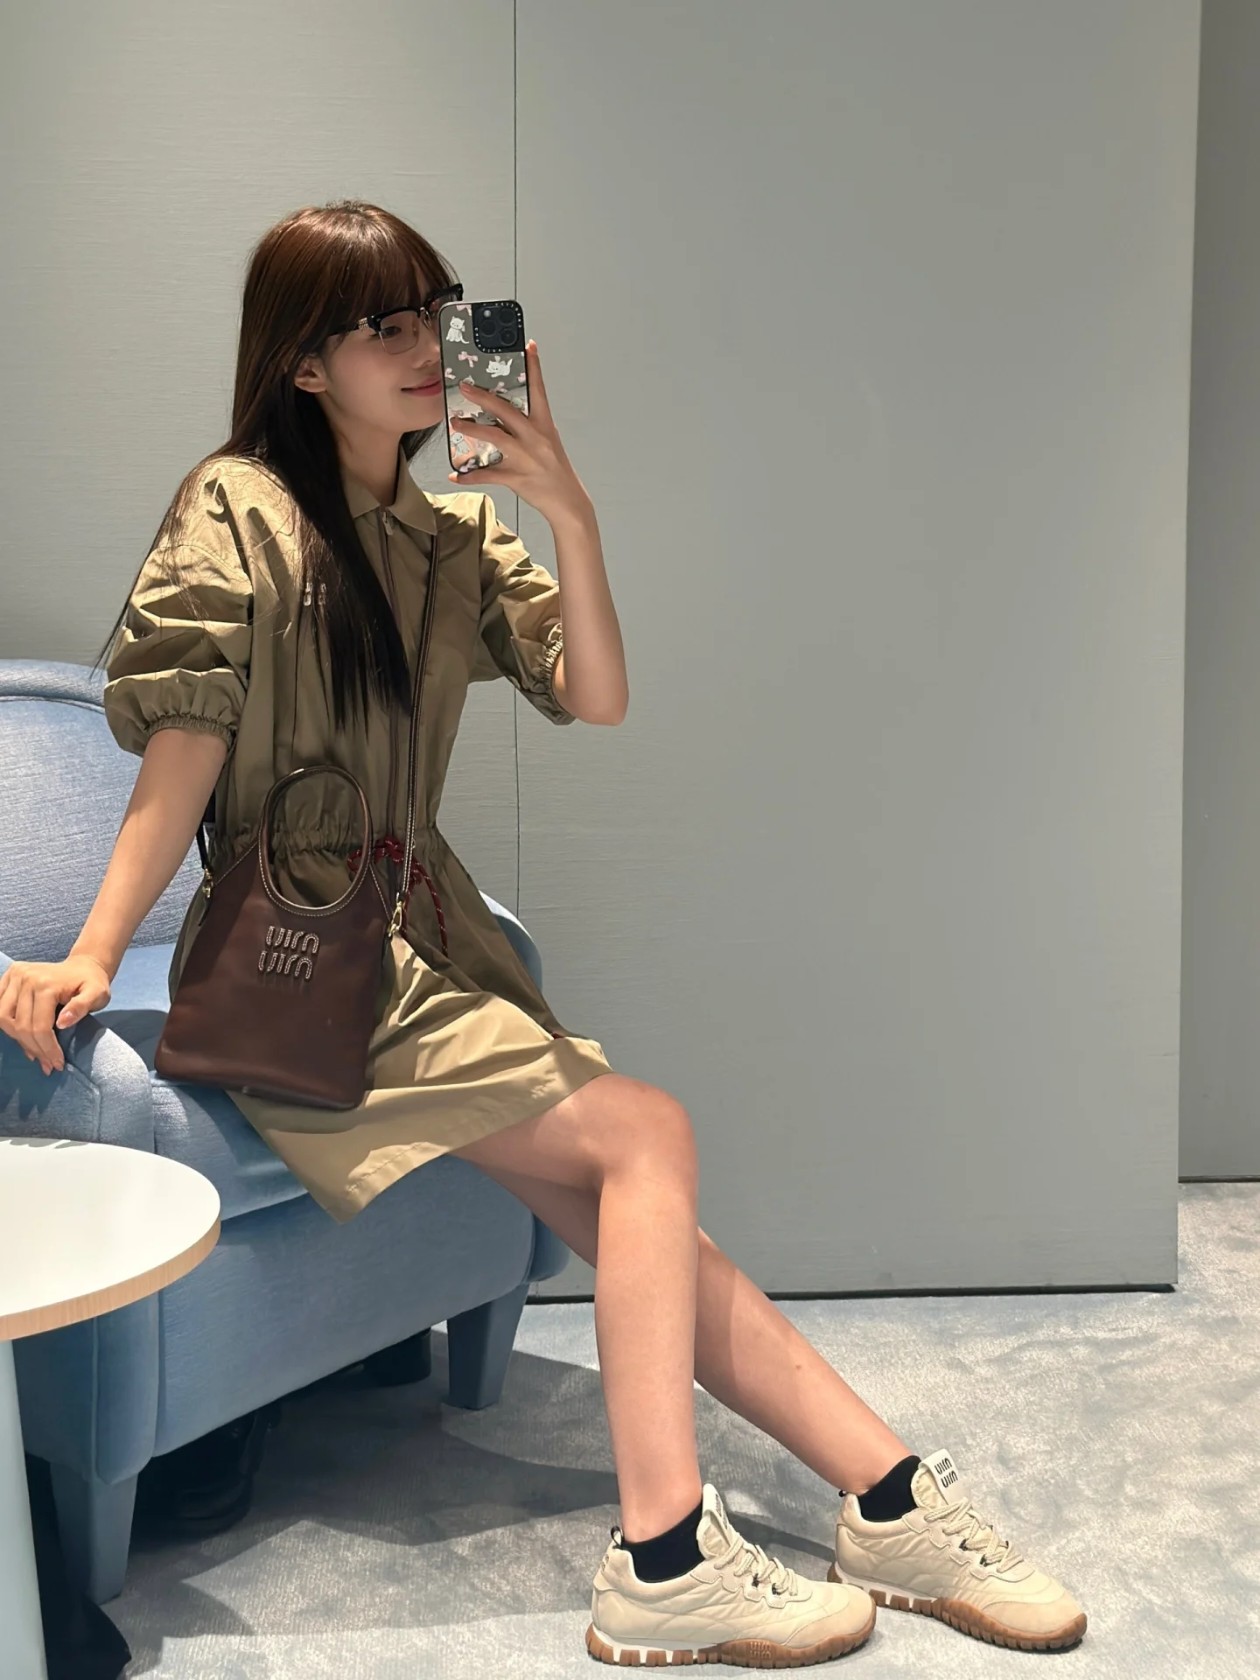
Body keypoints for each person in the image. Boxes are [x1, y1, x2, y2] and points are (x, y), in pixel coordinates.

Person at [0, 199, 1086, 1667]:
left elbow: (595, 694)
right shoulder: (235, 505)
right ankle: (664, 1556)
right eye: (382, 323)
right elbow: (183, 750)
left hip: (432, 944)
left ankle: (886, 1499)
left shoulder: (452, 537)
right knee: (646, 1136)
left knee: (647, 1213)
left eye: (435, 314)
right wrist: (92, 945)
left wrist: (568, 508)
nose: (422, 346)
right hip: (304, 962)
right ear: (303, 362)